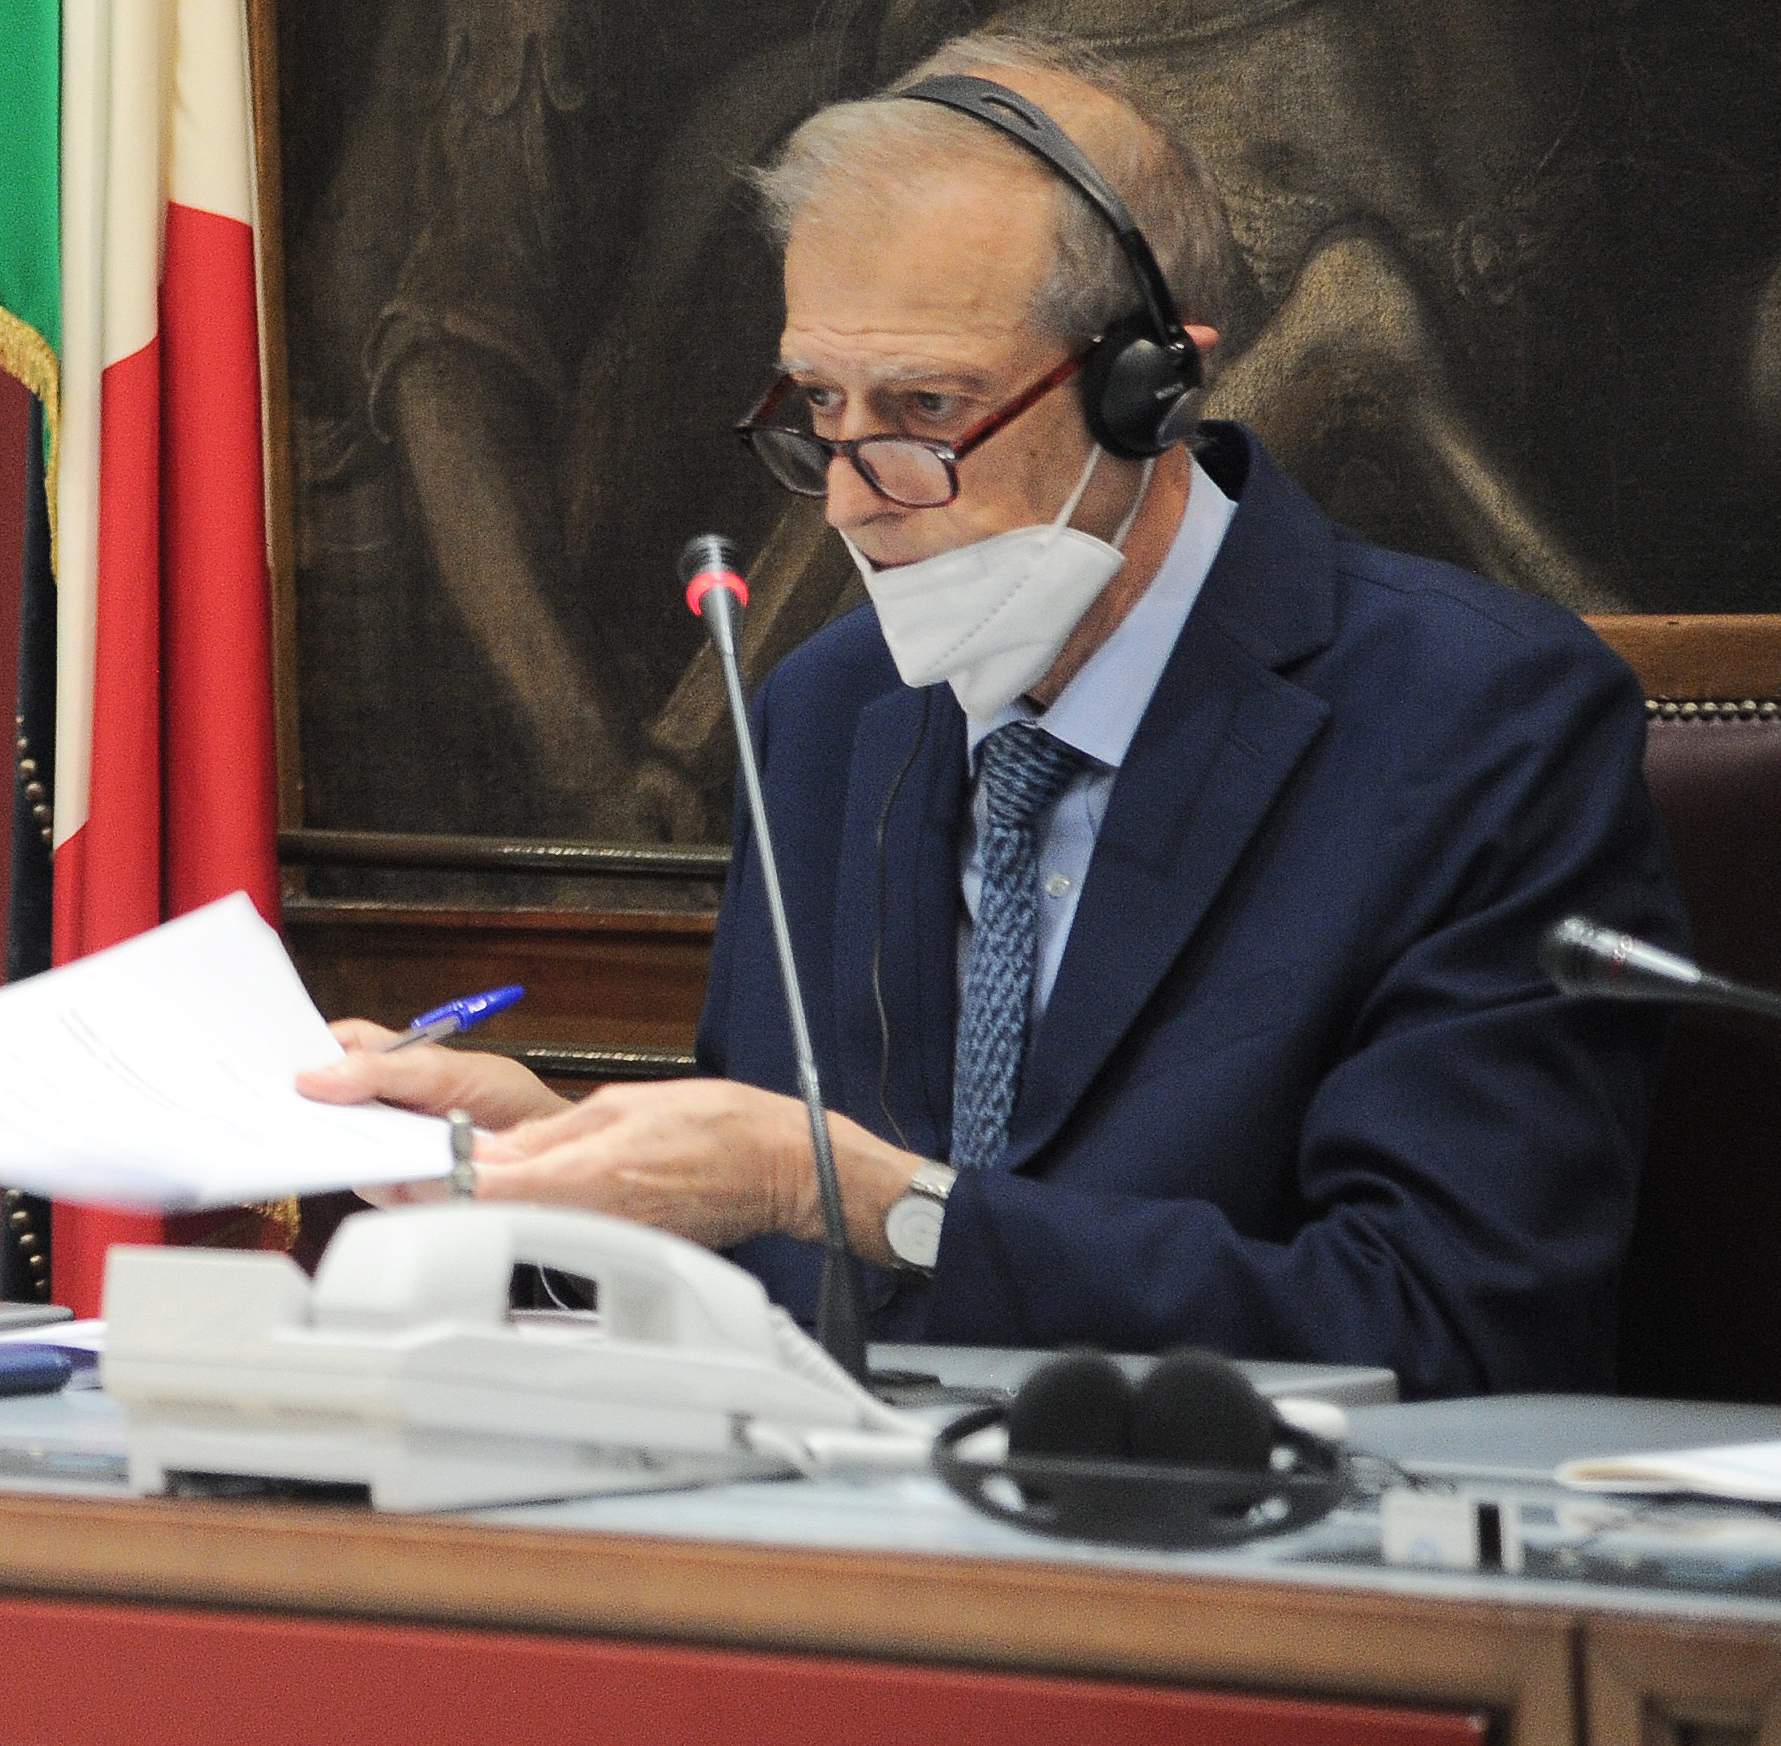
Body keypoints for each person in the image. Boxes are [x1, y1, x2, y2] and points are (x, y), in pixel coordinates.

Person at [301, 32, 1684, 1399]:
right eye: (818, 410)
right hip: (844, 1563)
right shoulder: (823, 717)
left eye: (923, 409)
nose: (846, 500)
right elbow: (777, 1306)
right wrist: (555, 1175)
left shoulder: (1478, 724)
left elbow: (1449, 1322)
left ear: (1149, 391)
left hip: (1264, 1577)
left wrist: (868, 1196)